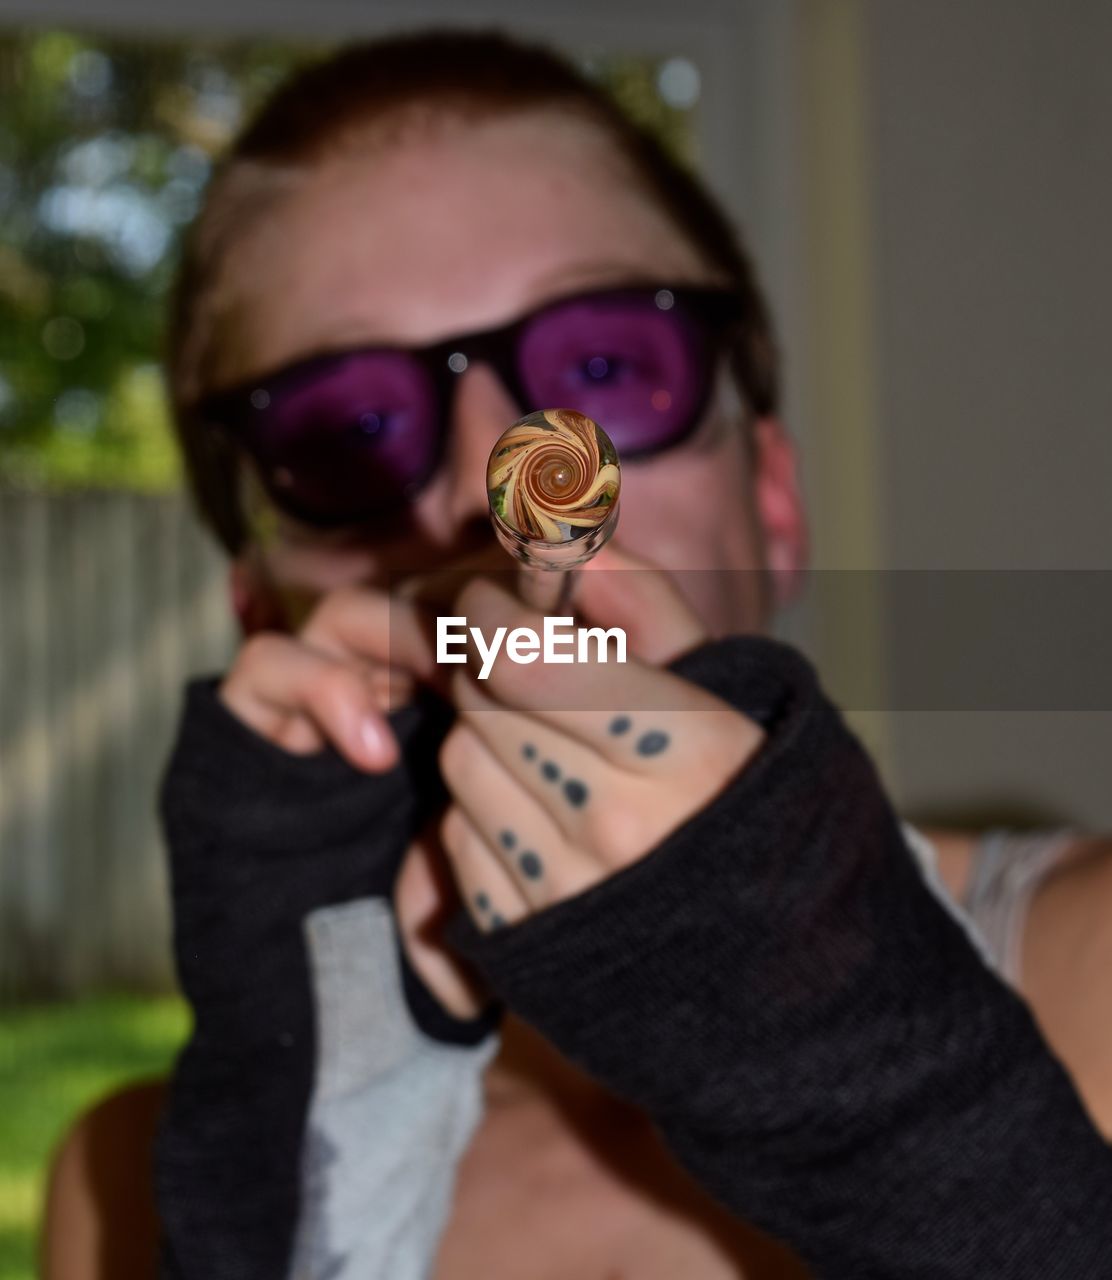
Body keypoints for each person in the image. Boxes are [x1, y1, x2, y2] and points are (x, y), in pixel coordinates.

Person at [41, 29, 1112, 1280]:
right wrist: (266, 1147)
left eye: (605, 365)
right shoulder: (123, 1185)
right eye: (349, 430)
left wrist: (876, 1087)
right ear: (260, 614)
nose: (496, 500)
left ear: (771, 502)